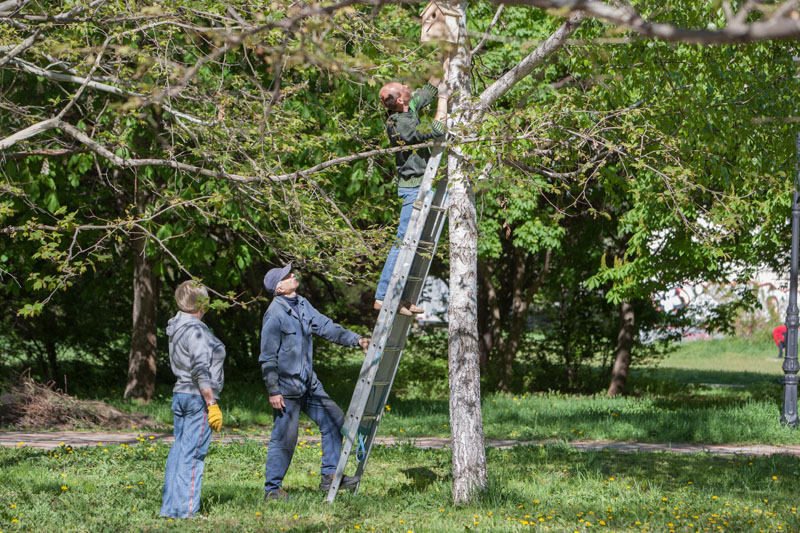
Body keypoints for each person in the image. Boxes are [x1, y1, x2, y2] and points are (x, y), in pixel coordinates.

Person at [259, 263, 371, 500]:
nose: (293, 275)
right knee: (285, 438)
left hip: (309, 384)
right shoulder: (275, 314)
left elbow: (327, 327)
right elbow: (267, 357)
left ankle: (329, 477)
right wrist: (273, 390)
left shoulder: (302, 304)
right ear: (279, 288)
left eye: (291, 272)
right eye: (287, 275)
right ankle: (272, 490)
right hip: (286, 388)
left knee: (334, 419)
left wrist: (357, 340)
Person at [374, 57, 449, 316]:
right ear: (400, 100)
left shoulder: (408, 108)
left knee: (415, 245)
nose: (408, 86)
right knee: (403, 243)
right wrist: (444, 100)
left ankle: (402, 298)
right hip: (413, 187)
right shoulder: (400, 124)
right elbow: (436, 129)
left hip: (421, 184)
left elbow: (428, 89)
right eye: (404, 88)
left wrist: (446, 58)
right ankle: (382, 297)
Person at [160, 280, 226, 519]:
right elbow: (200, 369)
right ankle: (186, 512)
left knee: (179, 452)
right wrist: (211, 403)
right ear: (202, 303)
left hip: (181, 393)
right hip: (198, 397)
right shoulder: (196, 330)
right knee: (193, 455)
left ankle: (170, 508)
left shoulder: (177, 326)